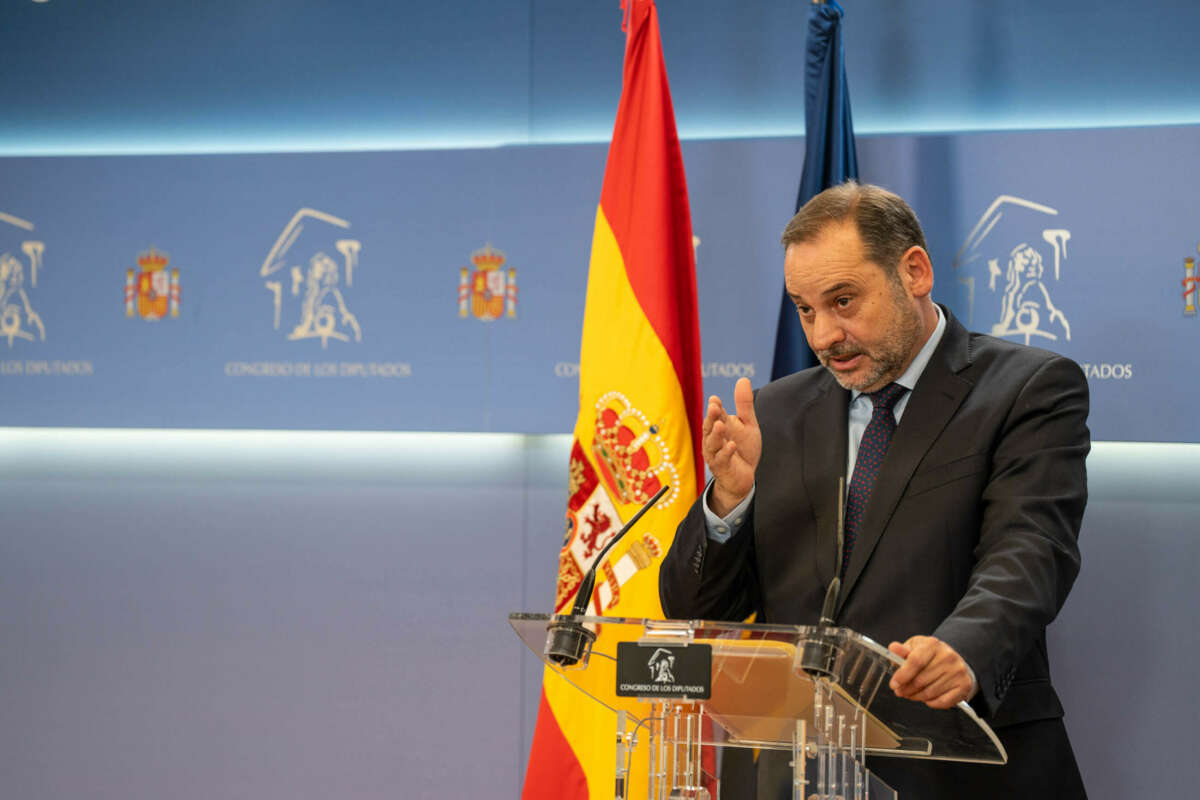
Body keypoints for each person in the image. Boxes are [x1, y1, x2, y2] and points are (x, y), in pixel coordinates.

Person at [659, 182, 1089, 799]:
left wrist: (964, 647)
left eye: (842, 300)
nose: (823, 335)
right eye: (805, 309)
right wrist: (730, 503)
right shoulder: (776, 414)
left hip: (965, 764)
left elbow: (1031, 551)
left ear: (913, 271)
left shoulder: (1027, 390)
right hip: (798, 771)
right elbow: (697, 611)